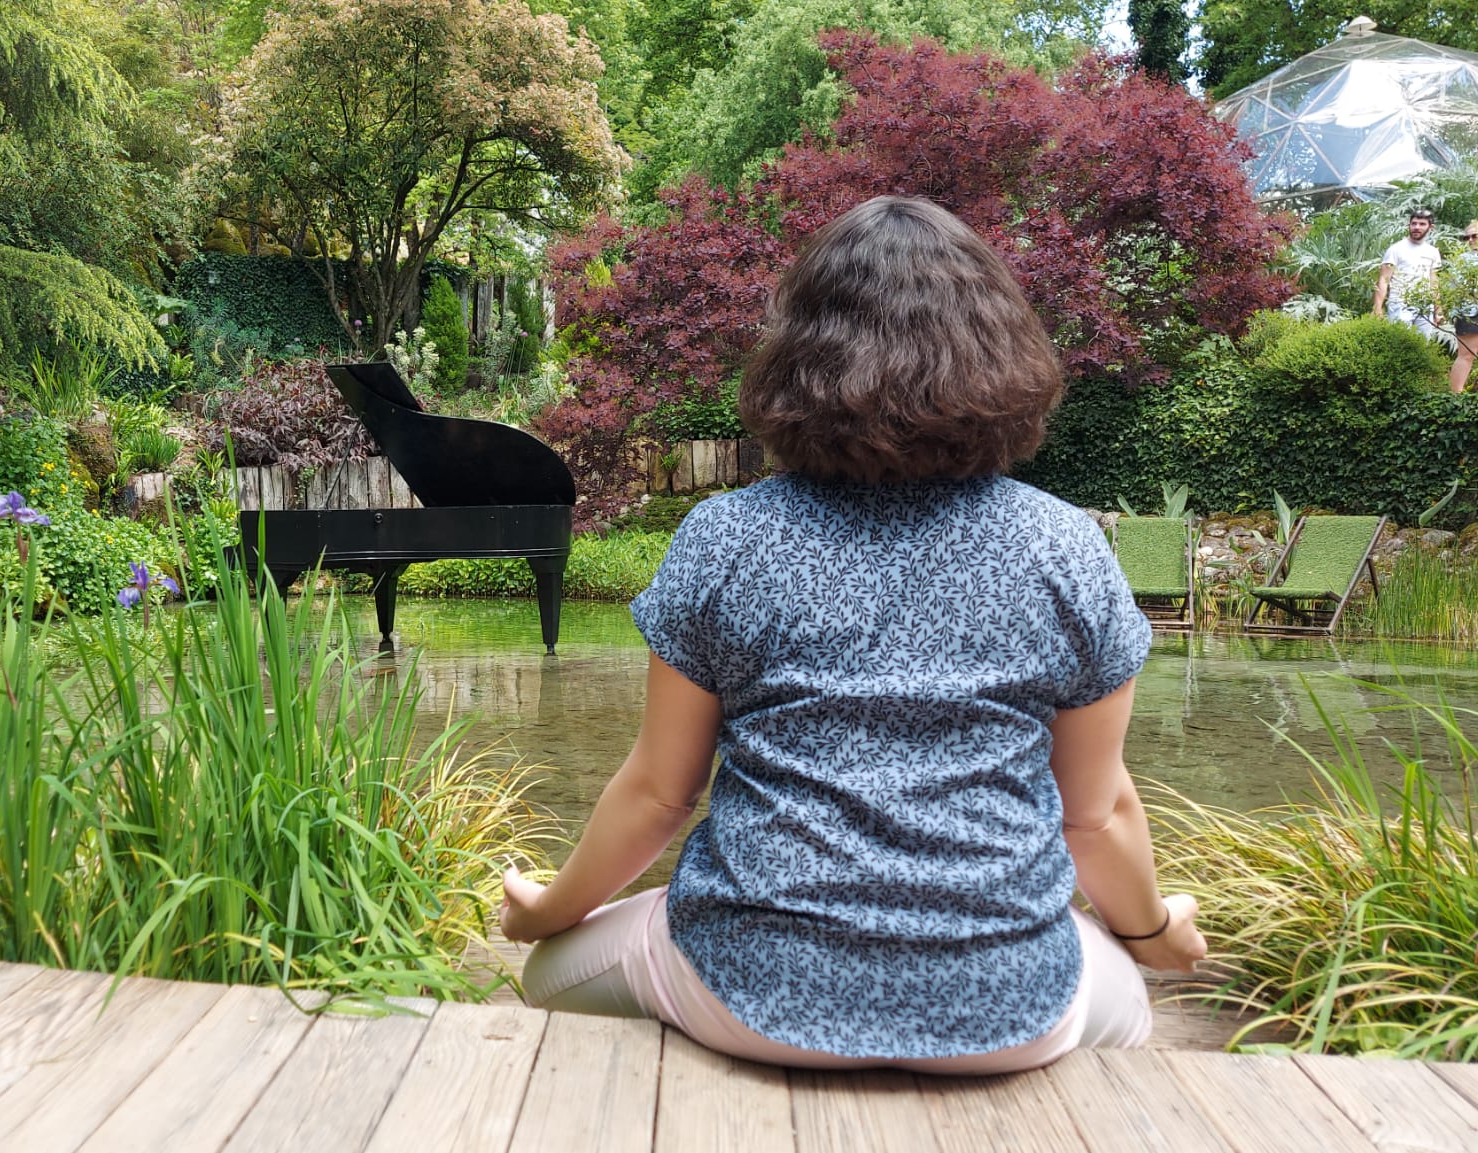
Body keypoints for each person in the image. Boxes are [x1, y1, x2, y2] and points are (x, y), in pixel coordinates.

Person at [500, 196, 1206, 1075]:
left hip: (750, 992)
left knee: (545, 973)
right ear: (1000, 351)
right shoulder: (1065, 545)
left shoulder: (727, 537)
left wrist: (547, 914)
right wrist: (1150, 930)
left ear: (800, 357)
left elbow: (658, 796)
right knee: (1130, 993)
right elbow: (1094, 816)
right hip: (1000, 1013)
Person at [1373, 208, 1442, 335]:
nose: (1417, 227)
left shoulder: (1433, 251)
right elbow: (1383, 280)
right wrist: (1378, 308)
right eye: (1414, 223)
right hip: (1400, 305)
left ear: (1430, 227)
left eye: (1422, 224)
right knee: (1401, 346)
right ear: (1409, 225)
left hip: (1425, 307)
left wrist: (1438, 309)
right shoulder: (1396, 249)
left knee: (1423, 347)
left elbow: (1434, 282)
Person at [1448, 221, 1478, 396]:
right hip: (1470, 312)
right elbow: (1456, 289)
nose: (1470, 240)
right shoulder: (1462, 259)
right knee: (1466, 355)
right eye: (1466, 237)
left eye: (1475, 236)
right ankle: (1455, 398)